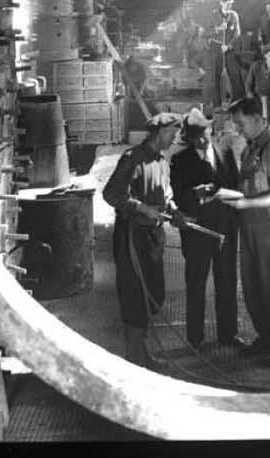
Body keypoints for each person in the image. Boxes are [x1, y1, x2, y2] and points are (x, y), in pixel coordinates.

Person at [101, 111, 183, 367]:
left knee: (153, 295)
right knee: (134, 295)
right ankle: (135, 357)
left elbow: (166, 194)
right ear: (161, 132)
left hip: (152, 238)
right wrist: (143, 208)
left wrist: (174, 209)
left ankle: (141, 352)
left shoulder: (162, 161)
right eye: (173, 133)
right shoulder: (133, 158)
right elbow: (111, 194)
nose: (175, 139)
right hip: (131, 237)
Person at [219, 97, 270, 363]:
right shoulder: (249, 150)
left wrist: (245, 203)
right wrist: (226, 195)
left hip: (268, 228)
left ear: (257, 119)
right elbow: (248, 188)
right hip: (249, 226)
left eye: (241, 124)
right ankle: (266, 337)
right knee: (252, 286)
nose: (238, 130)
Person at [167, 110, 244, 348]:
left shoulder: (225, 152)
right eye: (195, 137)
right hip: (197, 232)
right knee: (196, 284)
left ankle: (228, 335)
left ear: (210, 130)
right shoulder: (180, 161)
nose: (201, 140)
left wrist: (234, 217)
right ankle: (195, 338)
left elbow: (236, 186)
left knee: (227, 282)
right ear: (188, 138)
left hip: (225, 229)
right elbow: (177, 197)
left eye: (204, 133)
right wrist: (195, 193)